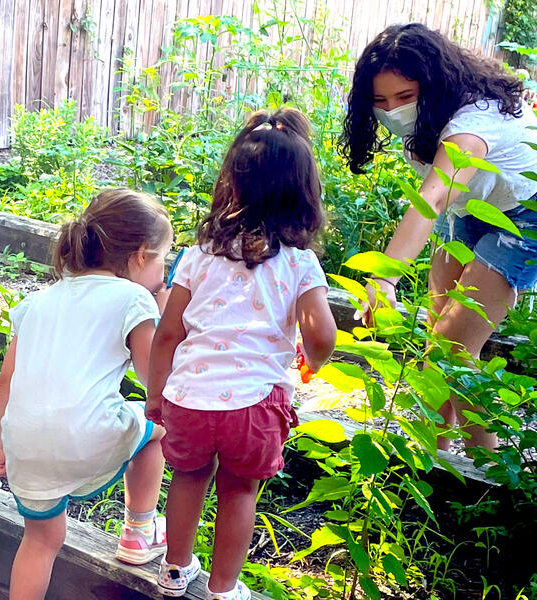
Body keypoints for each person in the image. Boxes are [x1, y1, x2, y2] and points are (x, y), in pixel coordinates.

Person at [146, 108, 337, 600]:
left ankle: (173, 570)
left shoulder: (198, 254)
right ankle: (224, 588)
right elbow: (323, 336)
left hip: (190, 397)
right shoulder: (300, 263)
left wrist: (155, 395)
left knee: (188, 480)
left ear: (231, 183)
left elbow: (168, 333)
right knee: (239, 492)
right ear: (303, 193)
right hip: (253, 404)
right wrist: (312, 363)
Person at [341, 23, 537, 451]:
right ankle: (434, 454)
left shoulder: (473, 124)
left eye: (404, 97)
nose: (392, 110)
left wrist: (383, 279)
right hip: (472, 206)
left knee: (453, 349)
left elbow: (429, 199)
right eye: (380, 101)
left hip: (526, 214)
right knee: (437, 340)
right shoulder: (433, 115)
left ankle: (487, 482)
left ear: (434, 83)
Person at [0, 188, 174, 600]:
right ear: (141, 256)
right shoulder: (134, 298)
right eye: (164, 258)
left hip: (23, 441)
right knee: (155, 430)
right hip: (86, 434)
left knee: (40, 542)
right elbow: (153, 379)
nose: (163, 271)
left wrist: (5, 445)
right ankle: (139, 530)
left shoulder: (36, 301)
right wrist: (161, 319)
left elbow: (6, 381)